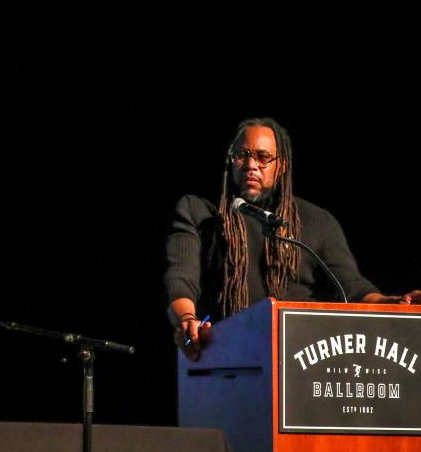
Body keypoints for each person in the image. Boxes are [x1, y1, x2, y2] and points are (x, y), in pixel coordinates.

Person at [165, 118, 421, 361]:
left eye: (263, 157)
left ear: (282, 164)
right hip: (224, 359)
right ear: (231, 162)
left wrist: (394, 302)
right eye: (242, 155)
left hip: (298, 363)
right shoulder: (200, 212)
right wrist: (187, 319)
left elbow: (351, 287)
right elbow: (181, 278)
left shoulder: (316, 221)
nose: (251, 165)